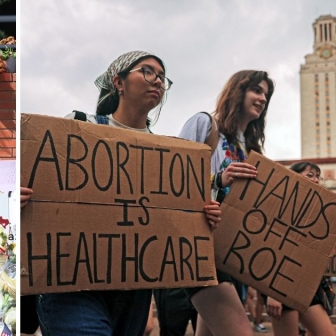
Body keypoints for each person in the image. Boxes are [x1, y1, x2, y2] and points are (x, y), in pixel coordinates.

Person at [20, 50, 222, 336]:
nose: (158, 82)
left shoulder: (166, 153)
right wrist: (20, 197)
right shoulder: (79, 124)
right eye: (148, 71)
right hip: (72, 285)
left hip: (133, 292)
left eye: (163, 78)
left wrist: (201, 220)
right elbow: (43, 188)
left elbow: (168, 224)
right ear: (119, 82)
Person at [179, 70, 275, 336]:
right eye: (257, 90)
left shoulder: (251, 147)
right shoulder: (204, 124)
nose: (263, 98)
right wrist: (218, 179)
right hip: (199, 244)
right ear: (238, 91)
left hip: (231, 252)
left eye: (266, 94)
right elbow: (174, 177)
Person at [264, 162, 336, 336]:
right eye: (310, 175)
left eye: (318, 176)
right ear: (294, 176)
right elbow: (268, 247)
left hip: (306, 285)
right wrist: (272, 293)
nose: (316, 180)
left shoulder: (318, 211)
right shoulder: (280, 206)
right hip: (280, 285)